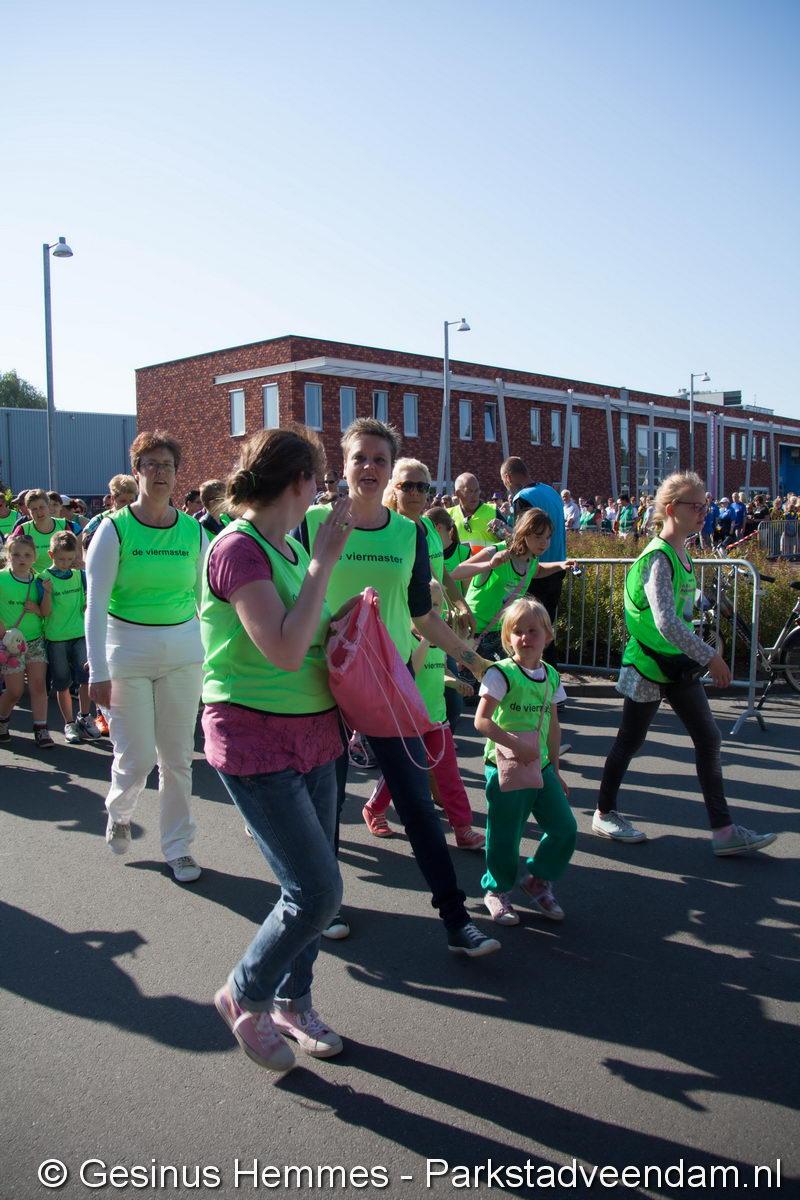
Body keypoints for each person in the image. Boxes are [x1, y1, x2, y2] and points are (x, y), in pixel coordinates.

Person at [296, 417, 500, 956]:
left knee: (416, 803)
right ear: (343, 466)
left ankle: (456, 920)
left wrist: (474, 661)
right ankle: (326, 905)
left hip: (387, 682)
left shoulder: (411, 534)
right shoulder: (313, 521)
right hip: (321, 680)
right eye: (359, 458)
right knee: (326, 802)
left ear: (389, 470)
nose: (369, 467)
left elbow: (421, 615)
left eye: (379, 459)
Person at [203, 426, 356, 1072]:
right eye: (317, 478)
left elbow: (308, 633)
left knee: (312, 890)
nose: (321, 491)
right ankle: (245, 993)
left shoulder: (286, 548)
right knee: (316, 893)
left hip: (315, 735)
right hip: (256, 741)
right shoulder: (239, 549)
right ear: (300, 482)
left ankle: (294, 1001)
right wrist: (325, 562)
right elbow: (285, 649)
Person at [593, 470, 778, 855]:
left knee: (708, 738)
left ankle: (723, 831)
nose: (704, 512)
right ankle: (604, 812)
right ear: (672, 509)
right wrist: (710, 656)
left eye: (706, 505)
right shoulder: (658, 557)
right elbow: (665, 621)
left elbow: (682, 603)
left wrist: (708, 605)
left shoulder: (682, 554)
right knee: (630, 741)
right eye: (697, 506)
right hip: (648, 665)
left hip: (677, 665)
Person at [86, 430, 209, 883]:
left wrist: (211, 658)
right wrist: (97, 671)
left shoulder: (194, 530)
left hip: (183, 654)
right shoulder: (113, 529)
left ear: (177, 475)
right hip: (127, 654)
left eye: (168, 466)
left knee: (177, 758)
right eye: (151, 465)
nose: (160, 473)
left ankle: (178, 847)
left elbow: (205, 601)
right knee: (136, 757)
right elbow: (95, 606)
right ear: (136, 472)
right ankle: (119, 812)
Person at [360, 458, 482, 849]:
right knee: (404, 757)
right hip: (391, 645)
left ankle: (458, 823)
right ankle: (379, 805)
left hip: (430, 629)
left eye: (422, 487)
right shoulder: (383, 527)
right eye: (407, 485)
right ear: (392, 488)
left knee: (437, 740)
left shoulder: (426, 528)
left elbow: (440, 574)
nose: (415, 493)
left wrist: (458, 603)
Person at [475, 598, 575, 925]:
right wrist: (515, 745)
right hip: (505, 766)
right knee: (505, 834)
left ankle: (537, 880)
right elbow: (481, 721)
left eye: (533, 631)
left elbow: (554, 726)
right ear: (507, 637)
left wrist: (556, 770)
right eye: (517, 631)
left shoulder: (551, 676)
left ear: (548, 635)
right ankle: (497, 890)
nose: (525, 638)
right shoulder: (501, 674)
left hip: (541, 766)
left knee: (564, 828)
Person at [450, 508, 573, 663]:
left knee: (500, 677)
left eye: (548, 537)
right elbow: (457, 572)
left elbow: (537, 571)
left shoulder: (532, 559)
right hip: (473, 631)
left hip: (504, 631)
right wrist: (490, 564)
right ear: (524, 533)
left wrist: (561, 565)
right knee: (473, 679)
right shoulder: (497, 550)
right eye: (538, 536)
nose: (544, 542)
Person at [500, 458, 566, 670]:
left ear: (508, 477)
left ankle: (532, 678)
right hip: (557, 568)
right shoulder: (551, 491)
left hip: (534, 571)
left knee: (528, 630)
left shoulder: (522, 498)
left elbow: (521, 537)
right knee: (545, 629)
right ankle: (550, 678)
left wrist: (502, 530)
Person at [42, 530, 101, 744]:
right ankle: (69, 723)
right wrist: (47, 593)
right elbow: (44, 611)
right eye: (61, 559)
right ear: (51, 555)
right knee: (62, 683)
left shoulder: (79, 575)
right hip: (56, 637)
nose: (65, 564)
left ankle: (84, 716)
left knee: (85, 679)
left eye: (69, 559)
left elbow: (88, 602)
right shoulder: (44, 579)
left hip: (79, 635)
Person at [0, 534, 53, 747]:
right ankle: (2, 719)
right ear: (8, 555)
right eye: (16, 555)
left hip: (34, 640)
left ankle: (41, 729)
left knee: (38, 686)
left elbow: (46, 612)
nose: (21, 559)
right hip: (9, 643)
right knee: (15, 691)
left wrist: (40, 605)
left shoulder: (39, 581)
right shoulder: (2, 578)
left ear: (34, 557)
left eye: (27, 555)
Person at [10, 488, 82, 573]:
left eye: (41, 507)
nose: (39, 512)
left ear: (48, 506)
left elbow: (78, 558)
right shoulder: (22, 530)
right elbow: (13, 558)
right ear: (28, 511)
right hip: (34, 579)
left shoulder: (68, 526)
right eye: (34, 509)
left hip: (63, 578)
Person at [447, 473, 504, 553]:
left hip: (491, 561)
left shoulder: (493, 510)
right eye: (469, 491)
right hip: (461, 562)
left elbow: (511, 540)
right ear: (458, 494)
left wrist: (502, 533)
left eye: (477, 491)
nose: (475, 496)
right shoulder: (448, 515)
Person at [82, 475, 138, 550]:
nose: (127, 505)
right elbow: (85, 538)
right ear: (112, 499)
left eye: (131, 501)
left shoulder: (139, 518)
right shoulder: (100, 519)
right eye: (123, 501)